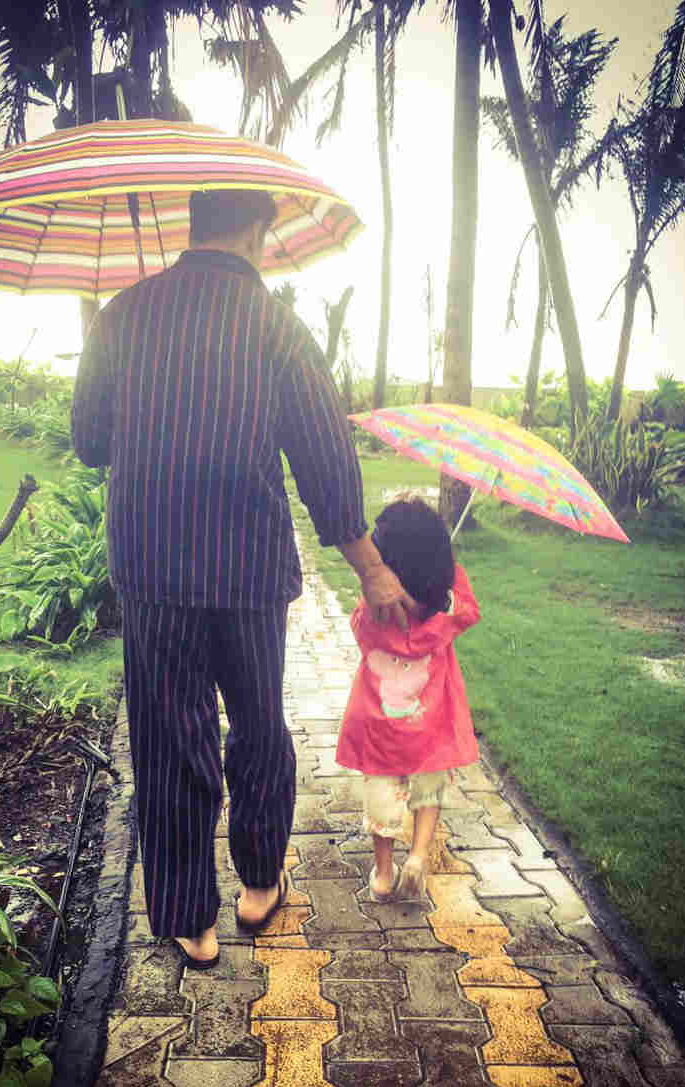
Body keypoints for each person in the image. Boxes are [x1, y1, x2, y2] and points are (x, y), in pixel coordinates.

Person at [72, 188, 416, 969]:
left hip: (153, 565)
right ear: (259, 230)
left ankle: (190, 919)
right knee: (258, 724)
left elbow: (90, 441)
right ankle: (260, 882)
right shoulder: (277, 325)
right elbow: (325, 456)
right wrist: (369, 568)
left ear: (192, 224)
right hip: (249, 570)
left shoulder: (122, 315)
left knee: (170, 736)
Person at [335, 497, 481, 901]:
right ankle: (417, 856)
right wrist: (441, 587)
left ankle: (383, 874)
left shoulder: (375, 612)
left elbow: (358, 629)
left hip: (380, 728)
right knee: (428, 790)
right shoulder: (446, 612)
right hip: (431, 726)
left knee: (382, 796)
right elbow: (470, 611)